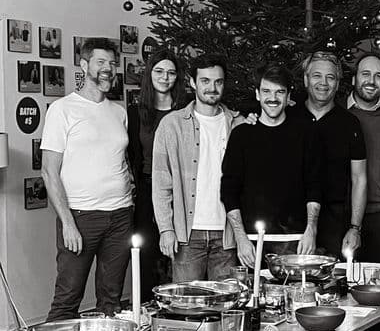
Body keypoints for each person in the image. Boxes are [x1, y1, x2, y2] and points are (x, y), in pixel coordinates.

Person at [41, 37, 133, 319]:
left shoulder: (118, 112)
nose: (108, 68)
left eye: (112, 63)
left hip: (120, 215)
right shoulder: (62, 110)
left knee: (111, 298)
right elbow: (49, 171)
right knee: (68, 297)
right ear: (84, 65)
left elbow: (120, 159)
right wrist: (67, 222)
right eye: (101, 62)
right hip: (81, 216)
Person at [152, 54, 244, 282]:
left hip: (227, 234)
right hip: (187, 235)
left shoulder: (238, 124)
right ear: (193, 83)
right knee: (186, 308)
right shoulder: (171, 125)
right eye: (205, 81)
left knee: (227, 308)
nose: (212, 88)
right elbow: (161, 182)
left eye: (218, 82)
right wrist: (166, 229)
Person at [221, 65, 322, 265]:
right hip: (252, 243)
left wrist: (311, 229)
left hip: (297, 241)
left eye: (279, 92)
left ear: (288, 96)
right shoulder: (242, 135)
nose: (273, 98)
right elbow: (229, 190)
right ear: (258, 95)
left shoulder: (306, 134)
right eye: (266, 91)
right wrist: (240, 238)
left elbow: (315, 185)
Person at [296, 51, 367, 258]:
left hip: (336, 223)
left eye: (330, 77)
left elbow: (359, 178)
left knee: (332, 286)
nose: (323, 83)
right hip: (290, 223)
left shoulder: (350, 124)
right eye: (317, 76)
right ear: (306, 79)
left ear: (337, 83)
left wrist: (355, 228)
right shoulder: (289, 117)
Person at [127, 50, 184, 300]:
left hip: (182, 192)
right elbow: (130, 156)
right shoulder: (135, 113)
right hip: (147, 193)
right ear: (150, 75)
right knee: (147, 256)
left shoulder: (186, 110)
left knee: (180, 255)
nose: (165, 77)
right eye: (159, 71)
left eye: (171, 72)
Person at [348, 54, 380, 263]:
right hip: (344, 215)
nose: (371, 81)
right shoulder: (340, 113)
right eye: (366, 74)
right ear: (354, 79)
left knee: (379, 285)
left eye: (378, 76)